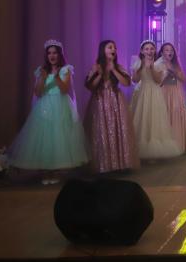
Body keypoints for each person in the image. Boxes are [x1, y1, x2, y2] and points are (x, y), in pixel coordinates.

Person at [9, 40, 87, 183]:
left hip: (60, 104)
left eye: (55, 53)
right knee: (45, 137)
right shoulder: (42, 70)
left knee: (59, 136)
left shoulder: (66, 69)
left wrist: (56, 77)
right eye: (49, 53)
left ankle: (55, 172)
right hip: (44, 105)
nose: (52, 56)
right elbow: (38, 93)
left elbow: (65, 90)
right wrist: (43, 78)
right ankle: (46, 171)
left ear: (59, 54)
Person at [85, 40, 139, 172]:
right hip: (100, 101)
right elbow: (90, 86)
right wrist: (100, 74)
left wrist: (113, 69)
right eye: (110, 47)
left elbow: (126, 83)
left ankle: (120, 163)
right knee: (102, 131)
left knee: (117, 129)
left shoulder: (118, 67)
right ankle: (105, 164)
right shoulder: (96, 67)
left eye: (114, 47)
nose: (113, 49)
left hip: (116, 100)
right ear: (103, 50)